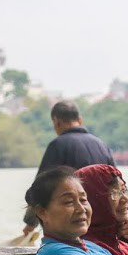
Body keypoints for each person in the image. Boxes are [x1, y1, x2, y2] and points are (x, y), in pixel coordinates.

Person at [22, 101, 115, 235]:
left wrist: (30, 225)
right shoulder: (101, 145)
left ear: (56, 122)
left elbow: (40, 191)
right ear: (80, 120)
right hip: (103, 226)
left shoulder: (58, 145)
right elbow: (116, 187)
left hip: (74, 225)